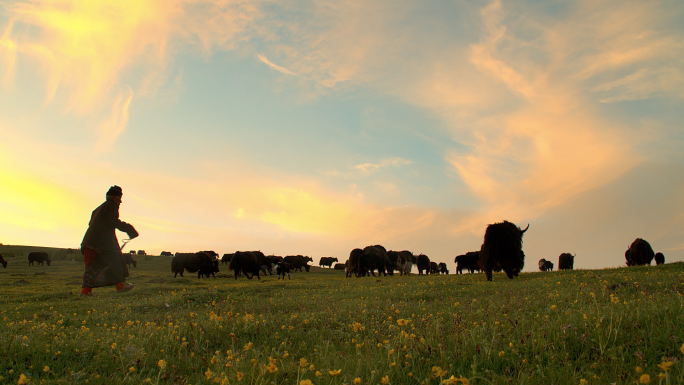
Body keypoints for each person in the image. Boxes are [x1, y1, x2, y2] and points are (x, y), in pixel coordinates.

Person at [80, 185, 138, 295]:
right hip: (101, 244)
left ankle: (85, 291)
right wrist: (130, 230)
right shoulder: (112, 205)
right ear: (115, 197)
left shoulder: (98, 209)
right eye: (120, 197)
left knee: (92, 267)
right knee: (116, 261)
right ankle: (120, 287)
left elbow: (91, 223)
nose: (121, 201)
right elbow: (113, 221)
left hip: (89, 242)